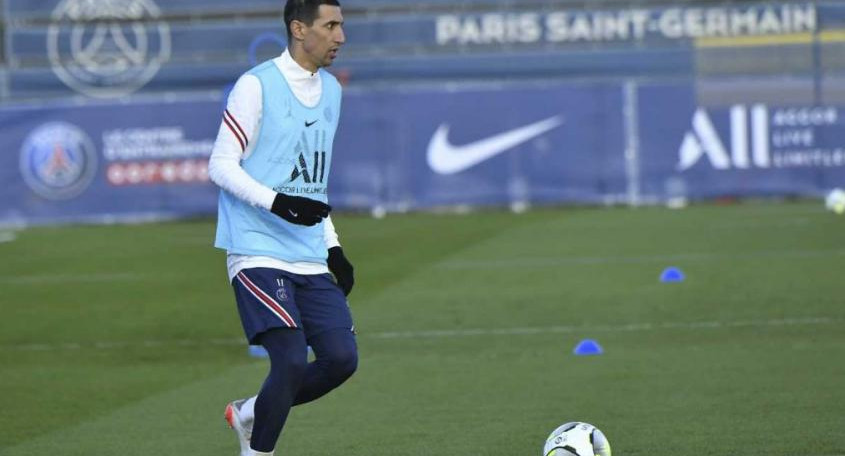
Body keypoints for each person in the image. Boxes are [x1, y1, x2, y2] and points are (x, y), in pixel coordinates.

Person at [207, 1, 356, 455]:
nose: (340, 37)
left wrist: (333, 246)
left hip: (309, 252)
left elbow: (314, 180)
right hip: (256, 248)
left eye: (341, 26)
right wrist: (277, 204)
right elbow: (220, 165)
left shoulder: (332, 90)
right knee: (290, 359)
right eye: (330, 26)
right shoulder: (257, 86)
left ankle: (250, 411)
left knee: (341, 361)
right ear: (298, 28)